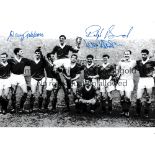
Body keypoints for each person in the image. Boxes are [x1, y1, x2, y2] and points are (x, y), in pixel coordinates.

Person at [8, 48, 31, 113]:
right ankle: (13, 108)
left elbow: (33, 64)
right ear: (17, 53)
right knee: (13, 93)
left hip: (21, 76)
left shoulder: (25, 60)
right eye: (21, 51)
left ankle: (21, 108)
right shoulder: (11, 60)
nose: (22, 52)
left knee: (25, 92)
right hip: (13, 76)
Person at [134, 49, 155, 118]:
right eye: (142, 54)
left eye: (145, 54)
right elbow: (133, 66)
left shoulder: (152, 62)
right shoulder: (138, 62)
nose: (143, 56)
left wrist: (154, 74)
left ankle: (146, 113)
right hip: (141, 80)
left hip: (149, 80)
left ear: (147, 55)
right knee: (138, 96)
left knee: (148, 96)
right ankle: (137, 112)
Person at [116, 50, 136, 117]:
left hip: (129, 81)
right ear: (124, 55)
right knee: (122, 97)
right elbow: (117, 70)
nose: (126, 55)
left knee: (127, 97)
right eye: (125, 54)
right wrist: (118, 74)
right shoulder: (120, 62)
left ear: (130, 55)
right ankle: (123, 110)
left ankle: (127, 111)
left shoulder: (133, 62)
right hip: (121, 80)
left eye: (128, 54)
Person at [29, 47, 46, 112]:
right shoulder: (31, 61)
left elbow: (44, 58)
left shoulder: (42, 61)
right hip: (34, 78)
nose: (37, 54)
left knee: (40, 93)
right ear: (34, 54)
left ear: (40, 54)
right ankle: (31, 108)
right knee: (33, 93)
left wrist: (41, 51)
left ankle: (39, 107)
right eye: (36, 53)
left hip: (41, 78)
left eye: (38, 53)